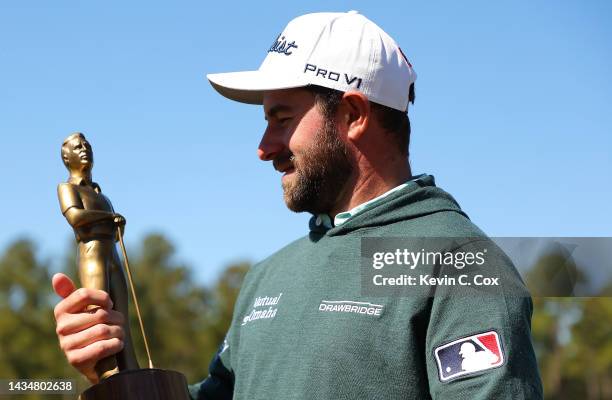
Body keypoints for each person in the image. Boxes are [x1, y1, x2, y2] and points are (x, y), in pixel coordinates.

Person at [52, 11, 543, 399]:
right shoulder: (269, 276)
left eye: (281, 118)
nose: (264, 147)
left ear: (352, 114)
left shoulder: (458, 263)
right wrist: (111, 368)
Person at [55, 133, 139, 383]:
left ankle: (130, 366)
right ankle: (106, 367)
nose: (84, 149)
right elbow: (76, 218)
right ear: (66, 156)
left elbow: (114, 232)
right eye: (77, 147)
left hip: (112, 254)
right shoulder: (67, 188)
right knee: (99, 310)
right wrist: (109, 219)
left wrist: (118, 225)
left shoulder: (103, 195)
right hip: (92, 255)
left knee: (122, 314)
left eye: (87, 146)